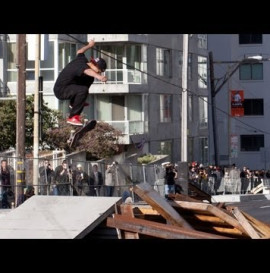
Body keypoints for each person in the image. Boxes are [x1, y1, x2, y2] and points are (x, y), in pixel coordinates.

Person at [53, 39, 108, 126]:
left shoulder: (82, 58)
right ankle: (73, 117)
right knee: (83, 89)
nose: (98, 73)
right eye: (99, 71)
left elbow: (80, 51)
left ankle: (74, 102)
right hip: (61, 90)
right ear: (95, 66)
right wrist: (100, 77)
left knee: (89, 80)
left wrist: (89, 45)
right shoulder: (81, 65)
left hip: (69, 87)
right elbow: (87, 71)